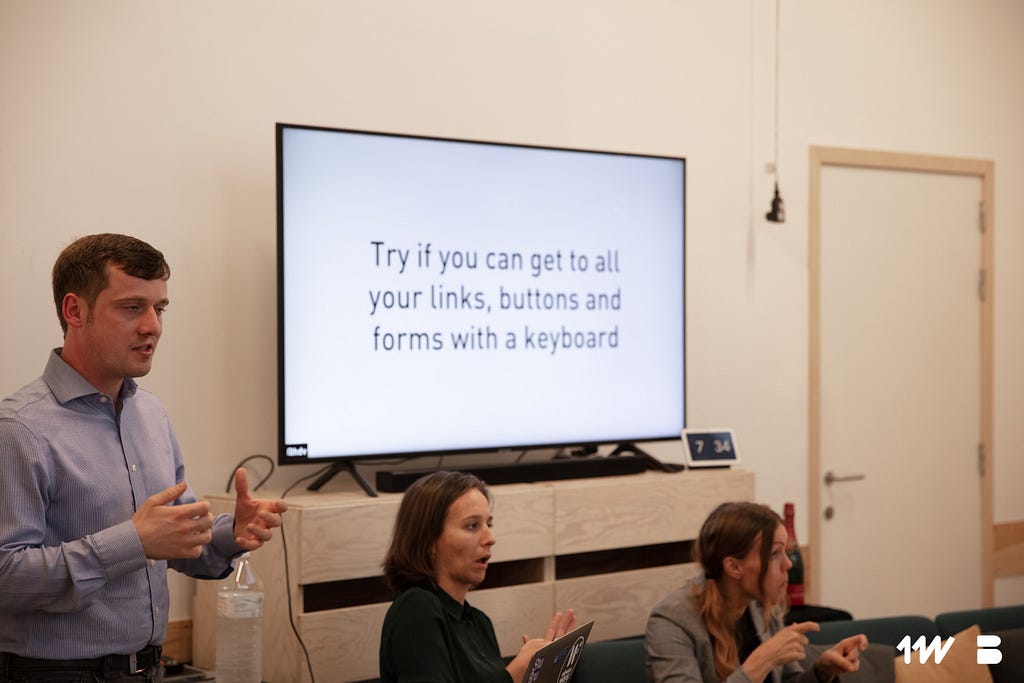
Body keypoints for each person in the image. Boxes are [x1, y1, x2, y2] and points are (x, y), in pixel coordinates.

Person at [0, 233, 288, 682]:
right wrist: (132, 543)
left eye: (160, 309)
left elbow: (176, 541)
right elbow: (6, 575)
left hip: (150, 669)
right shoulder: (20, 429)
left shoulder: (150, 414)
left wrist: (231, 535)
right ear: (74, 311)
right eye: (132, 307)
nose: (152, 326)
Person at [379, 470, 576, 683]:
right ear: (429, 541)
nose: (490, 538)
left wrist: (536, 676)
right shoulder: (416, 608)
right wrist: (513, 674)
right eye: (472, 526)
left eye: (488, 525)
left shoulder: (480, 623)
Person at [645, 502, 867, 683]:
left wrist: (822, 671)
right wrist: (761, 662)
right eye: (774, 554)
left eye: (786, 552)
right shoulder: (671, 621)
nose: (788, 564)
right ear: (733, 567)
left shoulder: (760, 604)